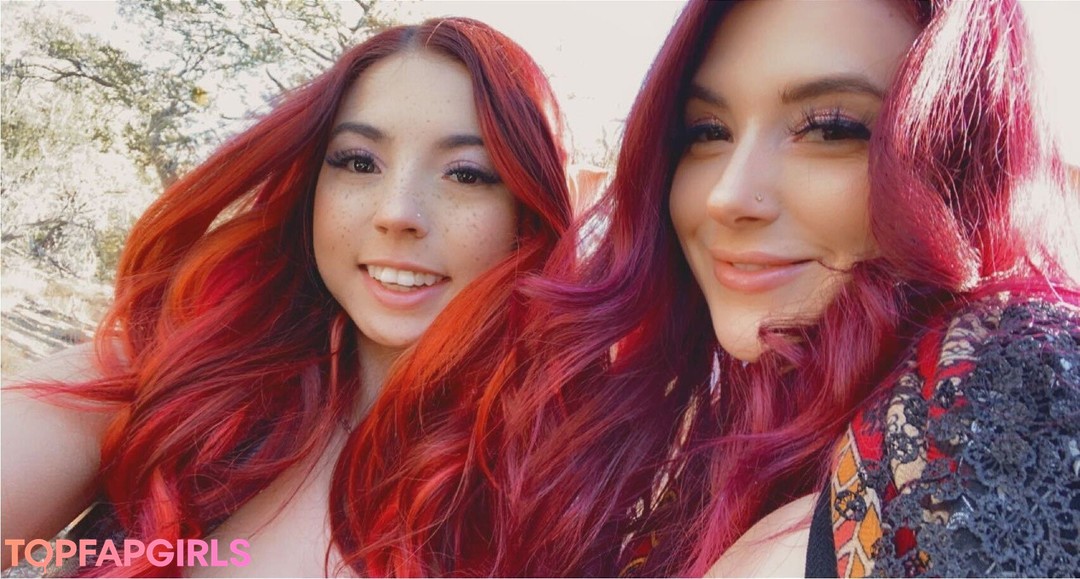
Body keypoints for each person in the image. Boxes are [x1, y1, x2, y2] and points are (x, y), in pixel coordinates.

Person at [503, 0, 1079, 576]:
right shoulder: (696, 409)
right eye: (708, 131)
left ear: (965, 157)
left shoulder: (1014, 385)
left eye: (831, 129)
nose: (726, 196)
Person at [1, 17, 573, 577]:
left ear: (528, 208)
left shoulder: (564, 485)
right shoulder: (173, 373)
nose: (398, 212)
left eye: (467, 174)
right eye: (358, 162)